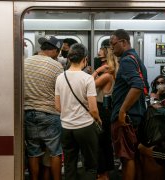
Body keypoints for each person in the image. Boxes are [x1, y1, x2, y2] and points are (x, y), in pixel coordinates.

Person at [55, 43, 102, 180]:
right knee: (90, 165)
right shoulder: (87, 78)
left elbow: (57, 106)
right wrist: (98, 119)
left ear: (69, 59)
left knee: (70, 165)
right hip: (85, 127)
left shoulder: (60, 77)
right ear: (85, 59)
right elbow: (93, 109)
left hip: (66, 128)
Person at [109, 29, 149, 180]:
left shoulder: (126, 61)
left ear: (123, 42)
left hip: (126, 119)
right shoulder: (136, 59)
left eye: (113, 45)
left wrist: (122, 111)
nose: (112, 49)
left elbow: (137, 85)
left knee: (127, 158)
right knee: (134, 156)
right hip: (136, 116)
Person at [24, 36, 63, 180]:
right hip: (49, 113)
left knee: (33, 151)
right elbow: (60, 90)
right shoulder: (56, 66)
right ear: (54, 50)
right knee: (55, 152)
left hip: (27, 112)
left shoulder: (25, 63)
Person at [91, 39, 118, 180]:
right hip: (107, 109)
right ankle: (105, 171)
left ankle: (102, 174)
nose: (98, 52)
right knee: (105, 142)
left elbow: (88, 85)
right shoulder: (111, 73)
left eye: (101, 50)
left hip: (102, 109)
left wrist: (96, 71)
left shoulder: (106, 75)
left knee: (100, 143)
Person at [138, 75, 165, 180]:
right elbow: (154, 106)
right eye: (158, 83)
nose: (161, 85)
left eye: (162, 82)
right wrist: (157, 94)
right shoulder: (153, 94)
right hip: (155, 131)